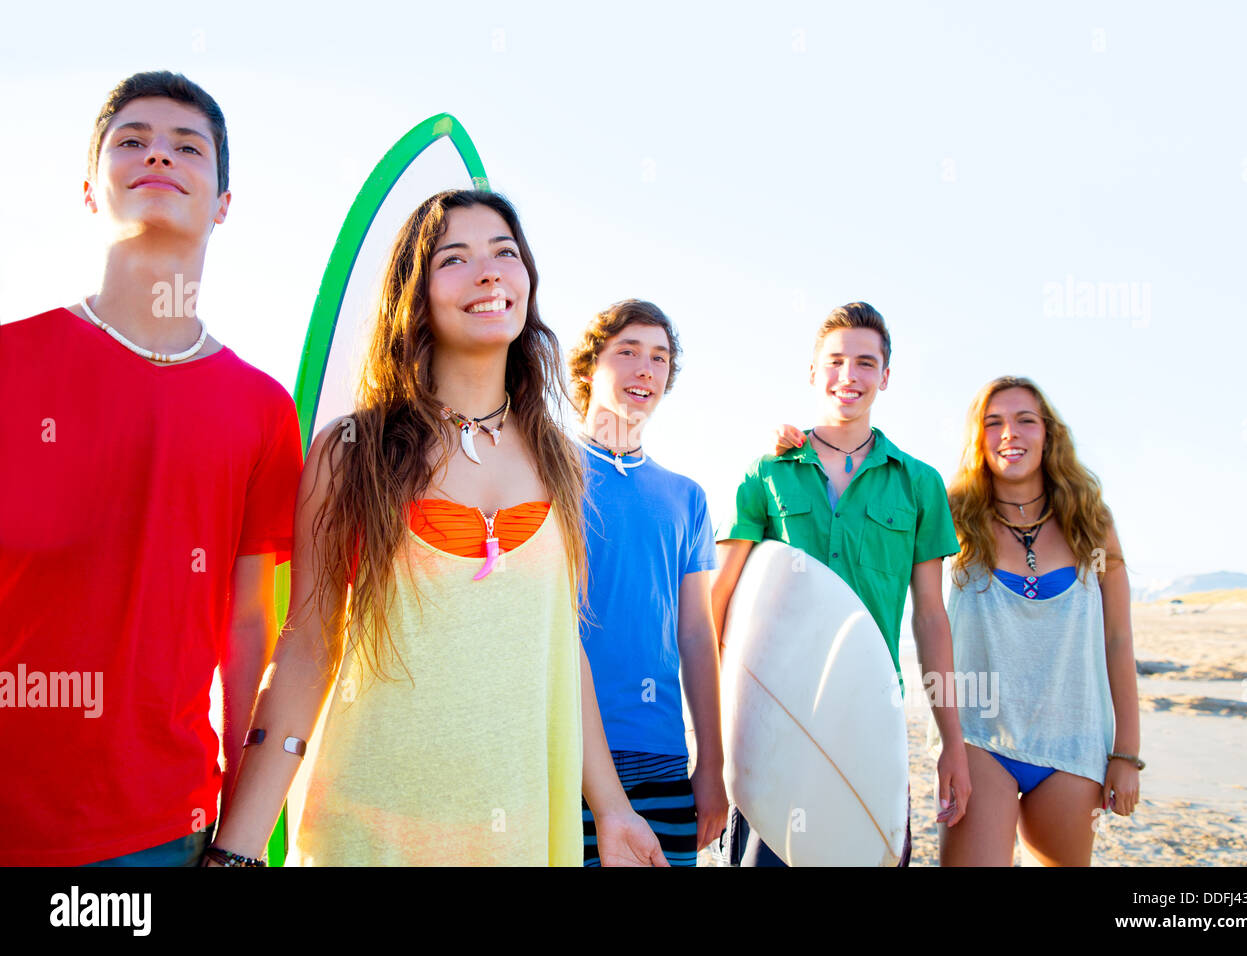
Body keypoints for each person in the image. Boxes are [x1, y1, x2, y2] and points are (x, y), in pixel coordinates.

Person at [207, 190, 666, 866]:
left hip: (518, 838)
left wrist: (614, 808)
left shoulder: (560, 463)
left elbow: (560, 651)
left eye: (505, 252)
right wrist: (237, 851)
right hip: (366, 832)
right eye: (456, 258)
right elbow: (306, 648)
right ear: (416, 295)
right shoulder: (354, 449)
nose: (488, 272)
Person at [0, 72, 302, 866]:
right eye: (130, 140)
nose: (157, 155)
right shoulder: (8, 362)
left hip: (163, 836)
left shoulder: (263, 409)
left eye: (186, 145)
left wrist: (240, 836)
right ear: (92, 191)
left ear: (223, 203)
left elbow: (250, 629)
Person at [711, 301, 972, 866]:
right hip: (770, 719)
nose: (848, 376)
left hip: (868, 719)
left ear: (885, 375)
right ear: (812, 372)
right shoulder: (767, 470)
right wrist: (710, 735)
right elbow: (721, 598)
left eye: (865, 362)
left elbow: (930, 617)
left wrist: (953, 742)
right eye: (834, 361)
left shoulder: (919, 483)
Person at [934, 376, 1140, 866]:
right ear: (977, 439)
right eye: (993, 423)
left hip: (1074, 742)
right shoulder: (950, 515)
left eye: (1026, 420)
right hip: (980, 739)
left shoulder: (1092, 520)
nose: (1011, 433)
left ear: (1048, 434)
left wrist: (1126, 755)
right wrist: (806, 445)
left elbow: (1118, 639)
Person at [567, 299, 728, 866]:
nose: (645, 370)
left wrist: (711, 762)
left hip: (659, 752)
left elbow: (695, 634)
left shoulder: (687, 497)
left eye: (659, 358)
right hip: (560, 746)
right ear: (589, 367)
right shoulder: (544, 471)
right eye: (627, 352)